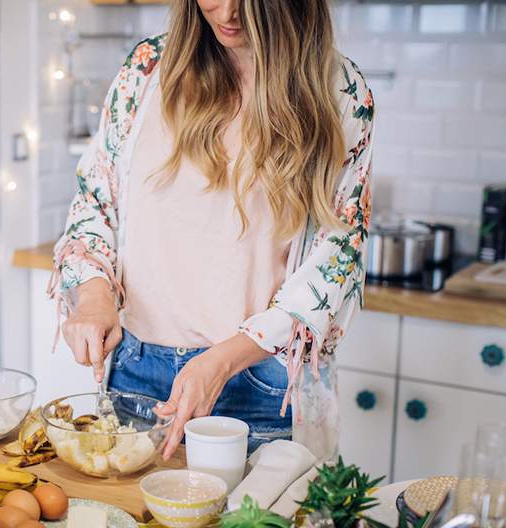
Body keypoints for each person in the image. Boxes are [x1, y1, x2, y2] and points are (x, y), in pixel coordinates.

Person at [49, 0, 374, 461]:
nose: (228, 12)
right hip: (137, 374)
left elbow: (338, 258)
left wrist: (224, 360)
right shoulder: (146, 71)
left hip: (259, 386)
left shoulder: (340, 92)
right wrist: (94, 293)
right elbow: (94, 202)